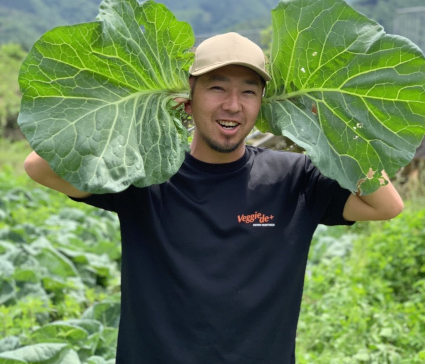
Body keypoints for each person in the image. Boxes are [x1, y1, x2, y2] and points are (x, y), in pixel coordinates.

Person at [24, 32, 404, 364]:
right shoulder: (147, 176)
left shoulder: (294, 178)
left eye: (249, 92)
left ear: (261, 106)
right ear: (188, 98)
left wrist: (335, 127)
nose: (233, 105)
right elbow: (39, 166)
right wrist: (132, 116)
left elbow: (386, 205)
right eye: (217, 87)